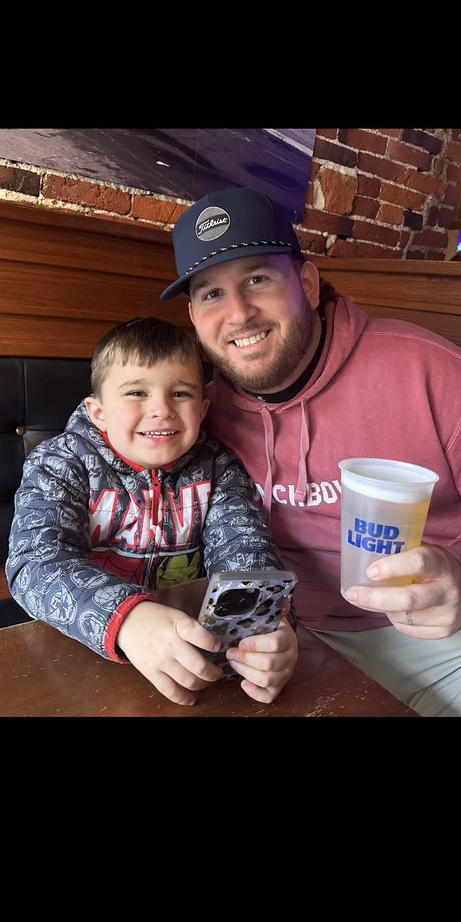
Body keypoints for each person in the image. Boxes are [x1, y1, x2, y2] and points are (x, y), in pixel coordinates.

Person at [160, 186, 461, 717]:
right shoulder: (196, 414)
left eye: (258, 279)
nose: (238, 313)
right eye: (211, 294)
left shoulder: (431, 371)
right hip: (284, 647)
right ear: (193, 315)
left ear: (307, 282)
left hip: (441, 642)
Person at [6, 316, 298, 706]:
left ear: (202, 409)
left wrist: (267, 627)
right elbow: (34, 563)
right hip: (75, 651)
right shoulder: (60, 463)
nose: (162, 409)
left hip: (189, 652)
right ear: (98, 412)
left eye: (180, 393)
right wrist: (126, 617)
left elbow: (245, 549)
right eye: (136, 392)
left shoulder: (218, 466)